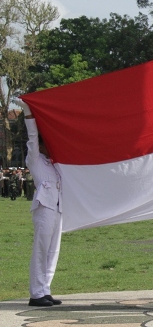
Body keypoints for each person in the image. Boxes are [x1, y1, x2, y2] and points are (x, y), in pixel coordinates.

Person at [14, 99, 63, 307]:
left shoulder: (53, 164)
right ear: (41, 145)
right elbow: (32, 138)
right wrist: (28, 113)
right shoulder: (34, 159)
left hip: (58, 208)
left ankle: (45, 290)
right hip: (44, 207)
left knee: (53, 251)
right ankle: (36, 293)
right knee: (41, 250)